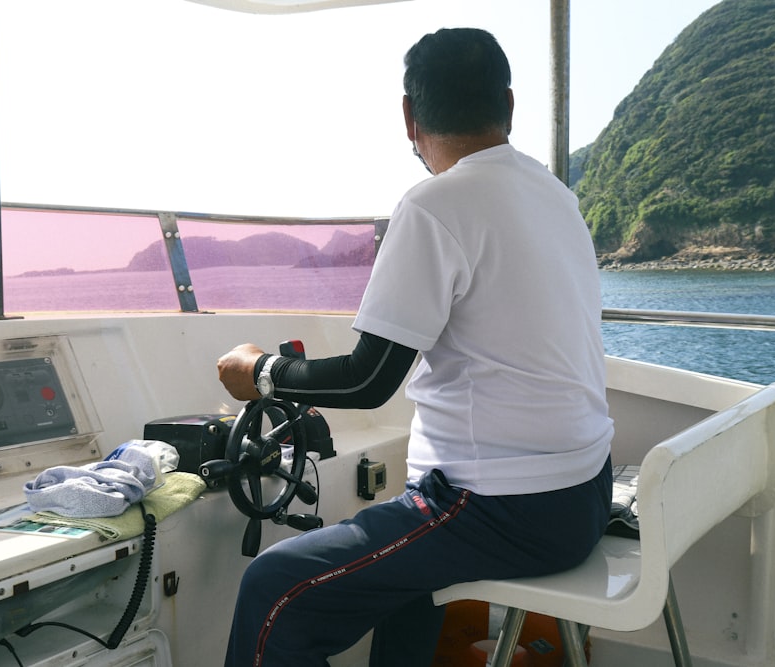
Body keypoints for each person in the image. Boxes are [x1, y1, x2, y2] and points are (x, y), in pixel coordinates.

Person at [216, 27, 613, 667]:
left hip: (502, 508)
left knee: (271, 589)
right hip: (585, 493)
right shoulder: (556, 195)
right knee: (405, 582)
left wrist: (261, 372)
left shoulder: (434, 205)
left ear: (408, 115)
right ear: (509, 106)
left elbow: (366, 380)